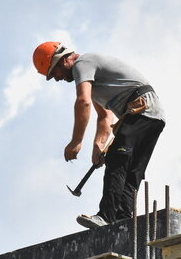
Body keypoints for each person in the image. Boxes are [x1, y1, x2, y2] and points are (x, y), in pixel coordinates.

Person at [32, 41, 166, 228]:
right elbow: (104, 115)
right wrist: (99, 145)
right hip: (153, 116)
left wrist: (76, 141)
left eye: (54, 72)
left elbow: (83, 102)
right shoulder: (93, 79)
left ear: (61, 60)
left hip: (141, 111)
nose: (56, 78)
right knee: (131, 170)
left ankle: (106, 216)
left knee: (117, 160)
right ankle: (122, 219)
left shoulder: (82, 64)